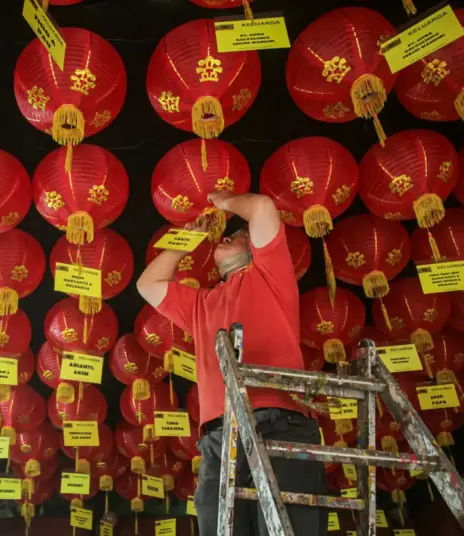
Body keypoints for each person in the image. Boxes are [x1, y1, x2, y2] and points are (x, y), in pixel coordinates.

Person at [137, 191, 327, 536]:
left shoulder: (271, 276)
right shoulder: (201, 304)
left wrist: (217, 200)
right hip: (218, 438)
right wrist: (192, 235)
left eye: (238, 234)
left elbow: (262, 207)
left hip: (279, 423)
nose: (227, 236)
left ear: (255, 249)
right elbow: (147, 284)